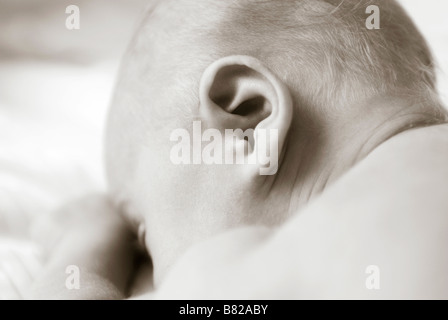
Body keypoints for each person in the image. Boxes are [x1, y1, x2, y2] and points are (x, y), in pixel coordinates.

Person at [29, 0, 448, 299]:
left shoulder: (258, 263)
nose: (152, 275)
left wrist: (86, 248)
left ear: (245, 125)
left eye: (143, 233)